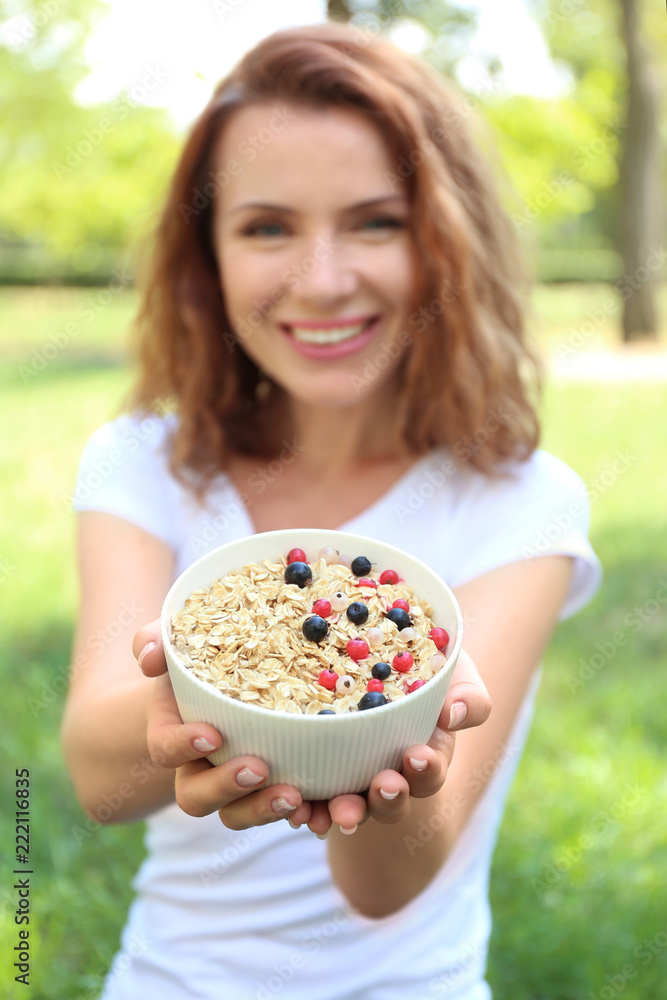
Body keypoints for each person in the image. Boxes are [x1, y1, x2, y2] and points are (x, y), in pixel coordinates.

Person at [60, 21, 601, 1000]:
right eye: (266, 227)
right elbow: (99, 781)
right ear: (209, 257)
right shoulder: (142, 461)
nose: (321, 280)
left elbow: (389, 885)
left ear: (445, 239)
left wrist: (402, 745)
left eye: (375, 221)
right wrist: (208, 702)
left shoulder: (522, 503)